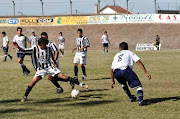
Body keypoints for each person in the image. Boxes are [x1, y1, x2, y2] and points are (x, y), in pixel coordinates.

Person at [17, 38, 78, 102]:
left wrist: (54, 62)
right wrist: (19, 52)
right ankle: (25, 96)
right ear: (40, 45)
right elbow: (24, 51)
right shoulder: (34, 49)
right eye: (44, 45)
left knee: (60, 76)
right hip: (41, 69)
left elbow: (52, 55)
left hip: (49, 67)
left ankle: (72, 81)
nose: (45, 46)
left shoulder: (48, 48)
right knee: (33, 82)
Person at [111, 42, 151, 106]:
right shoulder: (129, 52)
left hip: (116, 72)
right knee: (139, 86)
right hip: (125, 70)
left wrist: (112, 81)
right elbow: (138, 62)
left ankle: (131, 97)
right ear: (127, 48)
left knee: (123, 83)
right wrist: (146, 73)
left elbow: (112, 69)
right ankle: (141, 101)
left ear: (120, 48)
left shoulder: (116, 55)